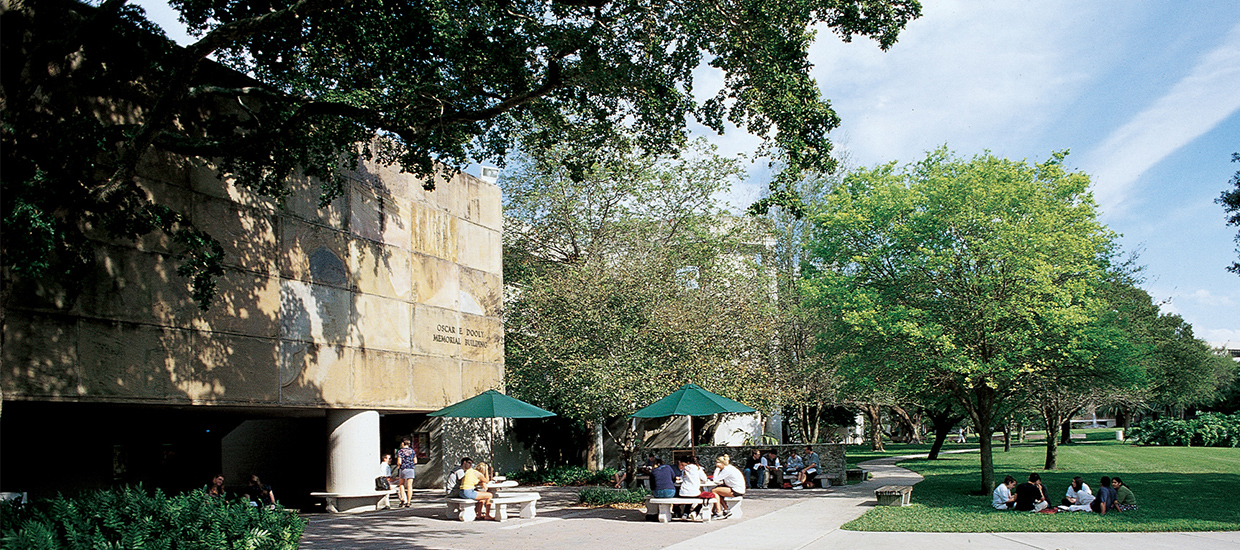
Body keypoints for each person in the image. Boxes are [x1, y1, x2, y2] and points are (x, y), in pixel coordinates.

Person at [676, 456, 709, 520]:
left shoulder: (685, 468)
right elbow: (705, 479)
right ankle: (695, 512)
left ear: (688, 462)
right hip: (694, 492)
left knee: (689, 498)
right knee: (703, 500)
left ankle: (685, 514)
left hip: (683, 492)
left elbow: (682, 478)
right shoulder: (698, 468)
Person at [396, 438, 417, 507]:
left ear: (403, 443)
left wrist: (399, 465)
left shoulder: (400, 451)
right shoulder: (412, 451)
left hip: (403, 469)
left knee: (401, 484)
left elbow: (399, 461)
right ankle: (408, 501)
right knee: (409, 486)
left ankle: (402, 499)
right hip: (410, 469)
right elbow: (415, 461)